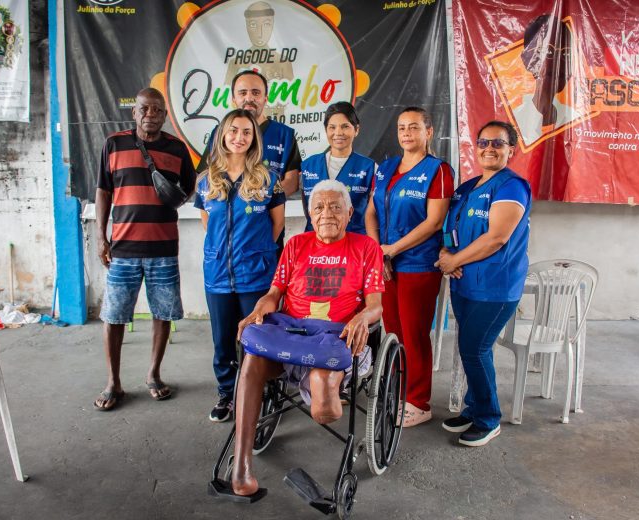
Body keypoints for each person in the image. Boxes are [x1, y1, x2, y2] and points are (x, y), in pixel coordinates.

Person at [231, 180, 384, 496]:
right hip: (290, 334)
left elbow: (375, 307)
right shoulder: (296, 245)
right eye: (319, 207)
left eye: (334, 206)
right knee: (253, 358)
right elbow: (274, 294)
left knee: (324, 412)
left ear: (349, 211)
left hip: (333, 340)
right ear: (309, 213)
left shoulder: (366, 248)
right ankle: (241, 465)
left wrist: (361, 318)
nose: (326, 213)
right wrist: (258, 309)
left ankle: (321, 386)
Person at [93, 87, 196, 411]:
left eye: (156, 110)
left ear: (165, 115)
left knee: (162, 314)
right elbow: (103, 193)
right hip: (123, 249)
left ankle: (154, 374)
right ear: (133, 112)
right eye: (144, 109)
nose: (150, 115)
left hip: (163, 248)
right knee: (114, 316)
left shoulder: (178, 150)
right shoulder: (114, 144)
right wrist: (100, 236)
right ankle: (113, 383)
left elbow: (188, 190)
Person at [436, 120, 531, 447]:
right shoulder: (467, 187)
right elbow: (450, 229)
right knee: (473, 349)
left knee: (474, 349)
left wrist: (455, 261)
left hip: (495, 288)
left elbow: (496, 238)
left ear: (510, 150)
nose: (489, 148)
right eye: (483, 143)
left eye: (498, 144)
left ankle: (489, 419)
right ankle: (474, 408)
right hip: (465, 285)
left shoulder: (511, 187)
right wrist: (447, 252)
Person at [194, 108, 286, 422]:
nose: (239, 137)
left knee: (257, 340)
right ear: (222, 135)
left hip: (256, 275)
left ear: (254, 138)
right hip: (218, 275)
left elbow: (276, 227)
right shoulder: (206, 181)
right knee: (223, 342)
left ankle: (259, 394)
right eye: (233, 131)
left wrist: (255, 253)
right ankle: (226, 395)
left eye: (246, 132)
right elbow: (208, 224)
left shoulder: (269, 179)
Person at [365, 106, 453, 427]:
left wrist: (393, 250)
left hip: (418, 265)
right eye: (402, 127)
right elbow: (371, 213)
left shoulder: (439, 170)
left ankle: (419, 401)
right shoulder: (386, 168)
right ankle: (399, 390)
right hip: (387, 264)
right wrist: (378, 252)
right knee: (394, 333)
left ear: (428, 132)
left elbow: (433, 222)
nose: (406, 133)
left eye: (414, 127)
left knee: (415, 334)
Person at [199, 70, 301, 253]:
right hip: (226, 242)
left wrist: (257, 203)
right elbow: (203, 181)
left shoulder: (285, 134)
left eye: (256, 93)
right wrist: (237, 204)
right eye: (242, 93)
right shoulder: (218, 133)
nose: (249, 98)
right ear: (233, 99)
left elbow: (292, 181)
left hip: (266, 235)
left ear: (265, 98)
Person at [299, 102, 375, 234]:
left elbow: (374, 214)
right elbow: (307, 209)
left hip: (355, 243)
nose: (338, 133)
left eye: (345, 126)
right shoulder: (308, 166)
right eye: (332, 127)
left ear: (356, 129)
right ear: (326, 130)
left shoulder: (370, 167)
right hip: (315, 244)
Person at [512, 15, 577, 146]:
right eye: (549, 52)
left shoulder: (575, 120)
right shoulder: (513, 121)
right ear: (528, 59)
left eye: (566, 54)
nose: (559, 64)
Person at [223, 1, 294, 121]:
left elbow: (289, 104)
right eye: (253, 25)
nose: (260, 33)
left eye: (266, 24)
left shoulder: (283, 61)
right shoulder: (235, 62)